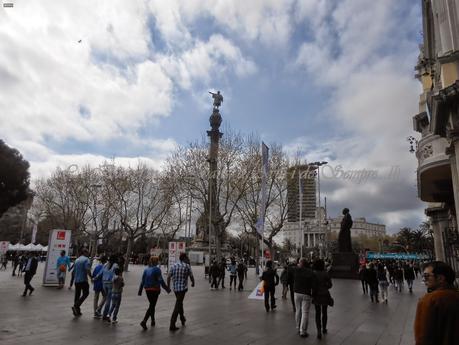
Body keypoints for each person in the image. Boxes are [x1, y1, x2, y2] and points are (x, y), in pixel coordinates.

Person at [414, 261, 459, 345]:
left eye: (427, 276)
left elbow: (423, 337)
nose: (424, 279)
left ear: (440, 278)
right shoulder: (455, 296)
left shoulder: (429, 300)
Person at [138, 256, 170, 330]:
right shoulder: (157, 270)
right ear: (156, 262)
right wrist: (167, 289)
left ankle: (153, 320)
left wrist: (140, 290)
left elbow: (142, 280)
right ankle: (144, 321)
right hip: (155, 289)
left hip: (147, 289)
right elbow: (161, 280)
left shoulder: (146, 270)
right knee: (152, 305)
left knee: (152, 304)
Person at [167, 253, 195, 331]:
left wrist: (168, 287)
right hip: (182, 289)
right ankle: (172, 323)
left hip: (175, 289)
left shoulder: (174, 265)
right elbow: (191, 276)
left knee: (180, 303)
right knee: (178, 305)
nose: (188, 259)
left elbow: (168, 277)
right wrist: (193, 283)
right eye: (187, 258)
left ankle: (182, 318)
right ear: (184, 258)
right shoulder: (187, 266)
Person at [293, 258, 316, 338]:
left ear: (300, 264)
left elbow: (289, 267)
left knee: (298, 310)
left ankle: (298, 327)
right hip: (306, 293)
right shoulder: (311, 272)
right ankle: (303, 331)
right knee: (305, 312)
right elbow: (313, 284)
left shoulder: (296, 270)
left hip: (297, 292)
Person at [312, 259, 332, 339]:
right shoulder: (325, 273)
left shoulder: (314, 274)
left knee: (317, 313)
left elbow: (312, 285)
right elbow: (330, 285)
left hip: (316, 295)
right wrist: (325, 286)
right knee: (324, 312)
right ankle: (324, 328)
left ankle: (319, 331)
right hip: (325, 295)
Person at [72, 248, 92, 317]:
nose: (88, 254)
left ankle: (77, 311)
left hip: (77, 280)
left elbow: (74, 271)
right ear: (85, 253)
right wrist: (91, 277)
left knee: (77, 295)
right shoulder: (86, 260)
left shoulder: (77, 260)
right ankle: (76, 305)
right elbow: (87, 269)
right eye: (88, 253)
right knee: (86, 293)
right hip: (83, 280)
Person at [102, 255, 119, 322]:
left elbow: (101, 272)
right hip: (110, 284)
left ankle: (103, 313)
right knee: (108, 300)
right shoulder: (115, 265)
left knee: (106, 298)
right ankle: (105, 315)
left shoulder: (106, 264)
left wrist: (95, 278)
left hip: (104, 283)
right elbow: (116, 275)